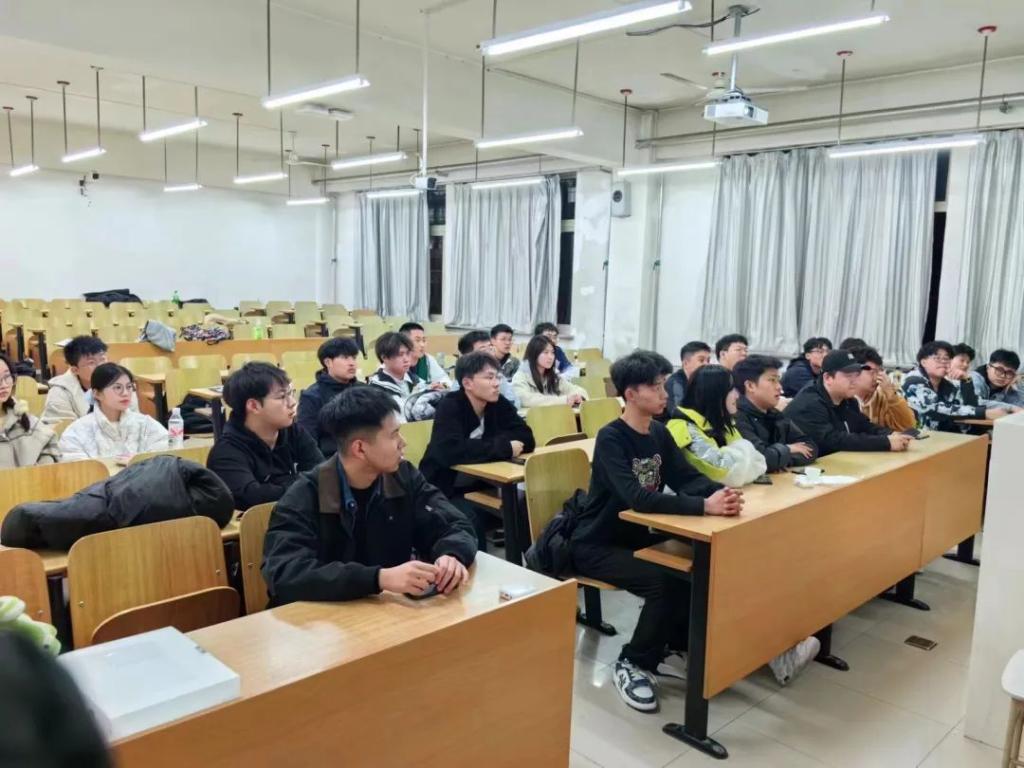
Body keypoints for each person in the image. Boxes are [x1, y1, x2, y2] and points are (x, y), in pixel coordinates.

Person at [569, 351, 750, 713]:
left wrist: (720, 493)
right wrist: (704, 506)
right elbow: (636, 498)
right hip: (596, 542)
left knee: (697, 569)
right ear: (630, 394)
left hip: (636, 536)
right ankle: (632, 661)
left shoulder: (658, 431)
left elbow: (686, 478)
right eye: (655, 387)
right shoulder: (611, 438)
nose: (665, 393)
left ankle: (671, 643)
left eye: (664, 384)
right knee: (663, 582)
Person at [261, 386, 477, 606]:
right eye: (394, 434)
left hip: (387, 612)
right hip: (325, 618)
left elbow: (455, 524)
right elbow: (283, 572)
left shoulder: (403, 477)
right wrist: (378, 578)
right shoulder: (305, 494)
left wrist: (451, 554)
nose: (403, 443)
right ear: (360, 449)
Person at [420, 353, 534, 542]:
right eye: (489, 378)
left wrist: (484, 447)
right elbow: (450, 450)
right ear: (467, 383)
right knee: (469, 520)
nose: (496, 383)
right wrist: (504, 447)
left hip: (484, 483)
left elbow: (527, 437)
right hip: (444, 488)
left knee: (525, 505)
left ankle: (526, 558)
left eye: (497, 377)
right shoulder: (450, 405)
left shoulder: (497, 403)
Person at [207, 362, 323, 509]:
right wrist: (302, 482)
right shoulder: (226, 452)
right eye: (282, 397)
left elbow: (323, 476)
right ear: (254, 406)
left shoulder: (294, 432)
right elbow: (254, 498)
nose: (292, 403)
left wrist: (284, 484)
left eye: (291, 393)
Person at [786, 350, 910, 456]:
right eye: (849, 376)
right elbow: (834, 440)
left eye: (857, 375)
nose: (855, 381)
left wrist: (892, 434)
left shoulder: (847, 400)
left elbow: (864, 426)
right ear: (828, 378)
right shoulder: (810, 403)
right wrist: (885, 442)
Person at [665, 365, 767, 486]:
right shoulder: (683, 428)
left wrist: (741, 459)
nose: (737, 395)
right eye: (731, 389)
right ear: (714, 393)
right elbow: (725, 474)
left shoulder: (722, 423)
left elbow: (760, 463)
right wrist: (745, 454)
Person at [59, 363, 168, 461]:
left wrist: (137, 462)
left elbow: (166, 453)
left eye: (129, 387)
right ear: (97, 394)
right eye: (117, 387)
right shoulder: (77, 431)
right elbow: (77, 469)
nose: (125, 393)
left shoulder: (146, 424)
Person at [732, 355, 818, 473]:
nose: (779, 387)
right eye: (772, 380)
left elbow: (810, 448)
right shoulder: (737, 417)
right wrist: (787, 449)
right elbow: (759, 458)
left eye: (778, 380)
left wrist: (779, 461)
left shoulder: (774, 413)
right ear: (750, 386)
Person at [902, 342, 1009, 433]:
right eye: (938, 358)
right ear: (923, 362)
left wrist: (966, 381)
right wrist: (983, 413)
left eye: (947, 359)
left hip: (941, 438)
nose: (944, 362)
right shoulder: (913, 381)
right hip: (911, 438)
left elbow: (969, 406)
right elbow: (934, 409)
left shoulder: (948, 386)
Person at [42, 335, 137, 422]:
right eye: (91, 362)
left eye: (102, 359)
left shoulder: (121, 383)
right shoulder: (60, 391)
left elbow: (134, 418)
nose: (100, 366)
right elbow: (62, 428)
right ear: (75, 370)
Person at [296, 337, 364, 457]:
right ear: (328, 362)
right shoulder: (311, 396)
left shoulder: (365, 390)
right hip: (332, 460)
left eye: (354, 357)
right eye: (345, 357)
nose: (352, 363)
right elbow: (308, 442)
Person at [0, 353, 61, 467]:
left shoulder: (20, 415)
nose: (3, 385)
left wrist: (41, 469)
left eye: (7, 376)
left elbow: (49, 448)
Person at [848, 346, 917, 432]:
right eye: (872, 372)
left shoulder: (883, 397)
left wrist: (891, 395)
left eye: (879, 372)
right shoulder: (844, 399)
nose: (876, 378)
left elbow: (909, 427)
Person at [511, 335, 588, 409]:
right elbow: (524, 399)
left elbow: (574, 389)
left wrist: (578, 397)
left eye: (552, 352)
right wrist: (564, 400)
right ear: (534, 354)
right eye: (546, 352)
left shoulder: (553, 376)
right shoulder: (520, 376)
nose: (551, 357)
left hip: (554, 416)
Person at [451, 330, 520, 406]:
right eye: (483, 350)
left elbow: (514, 401)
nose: (490, 354)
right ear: (468, 356)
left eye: (490, 348)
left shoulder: (497, 375)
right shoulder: (462, 382)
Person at [368, 332, 427, 420]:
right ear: (384, 357)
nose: (406, 359)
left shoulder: (415, 380)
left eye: (408, 353)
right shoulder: (376, 389)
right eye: (400, 354)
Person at [399, 322, 452, 390]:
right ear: (404, 342)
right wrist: (428, 386)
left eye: (424, 340)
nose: (422, 345)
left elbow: (446, 380)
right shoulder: (397, 362)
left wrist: (443, 386)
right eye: (417, 340)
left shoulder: (428, 359)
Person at [664, 341, 711, 417]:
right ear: (685, 363)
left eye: (708, 360)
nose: (707, 364)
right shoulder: (676, 382)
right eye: (701, 360)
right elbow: (677, 412)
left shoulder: (703, 381)